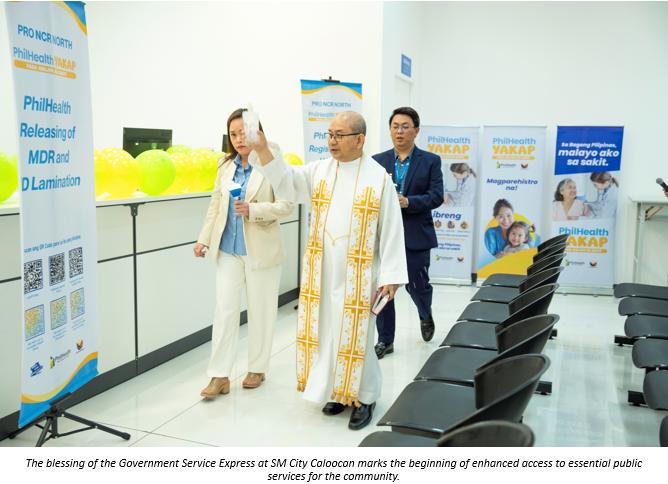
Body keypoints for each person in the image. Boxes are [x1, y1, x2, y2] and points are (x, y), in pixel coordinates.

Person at [248, 111, 408, 431]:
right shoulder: (320, 169)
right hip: (322, 269)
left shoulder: (378, 178)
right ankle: (339, 391)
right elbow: (287, 181)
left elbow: (392, 228)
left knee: (357, 336)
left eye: (339, 135)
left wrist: (391, 277)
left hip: (359, 273)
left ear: (359, 140)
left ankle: (365, 396)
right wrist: (263, 149)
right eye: (330, 134)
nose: (332, 141)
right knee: (327, 333)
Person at [194, 108, 294, 399]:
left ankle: (257, 368)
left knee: (261, 311)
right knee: (224, 312)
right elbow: (216, 204)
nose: (239, 139)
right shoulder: (225, 165)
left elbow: (287, 204)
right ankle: (219, 375)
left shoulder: (272, 162)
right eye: (233, 134)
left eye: (243, 132)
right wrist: (204, 239)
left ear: (256, 132)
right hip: (228, 249)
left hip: (261, 251)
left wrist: (254, 210)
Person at [371, 107, 443, 359]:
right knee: (384, 287)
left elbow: (436, 196)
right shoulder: (377, 161)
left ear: (416, 130)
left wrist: (408, 202)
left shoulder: (431, 160)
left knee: (417, 286)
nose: (399, 131)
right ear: (390, 130)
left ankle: (425, 313)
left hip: (416, 234)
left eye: (405, 126)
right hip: (384, 236)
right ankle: (385, 340)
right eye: (395, 126)